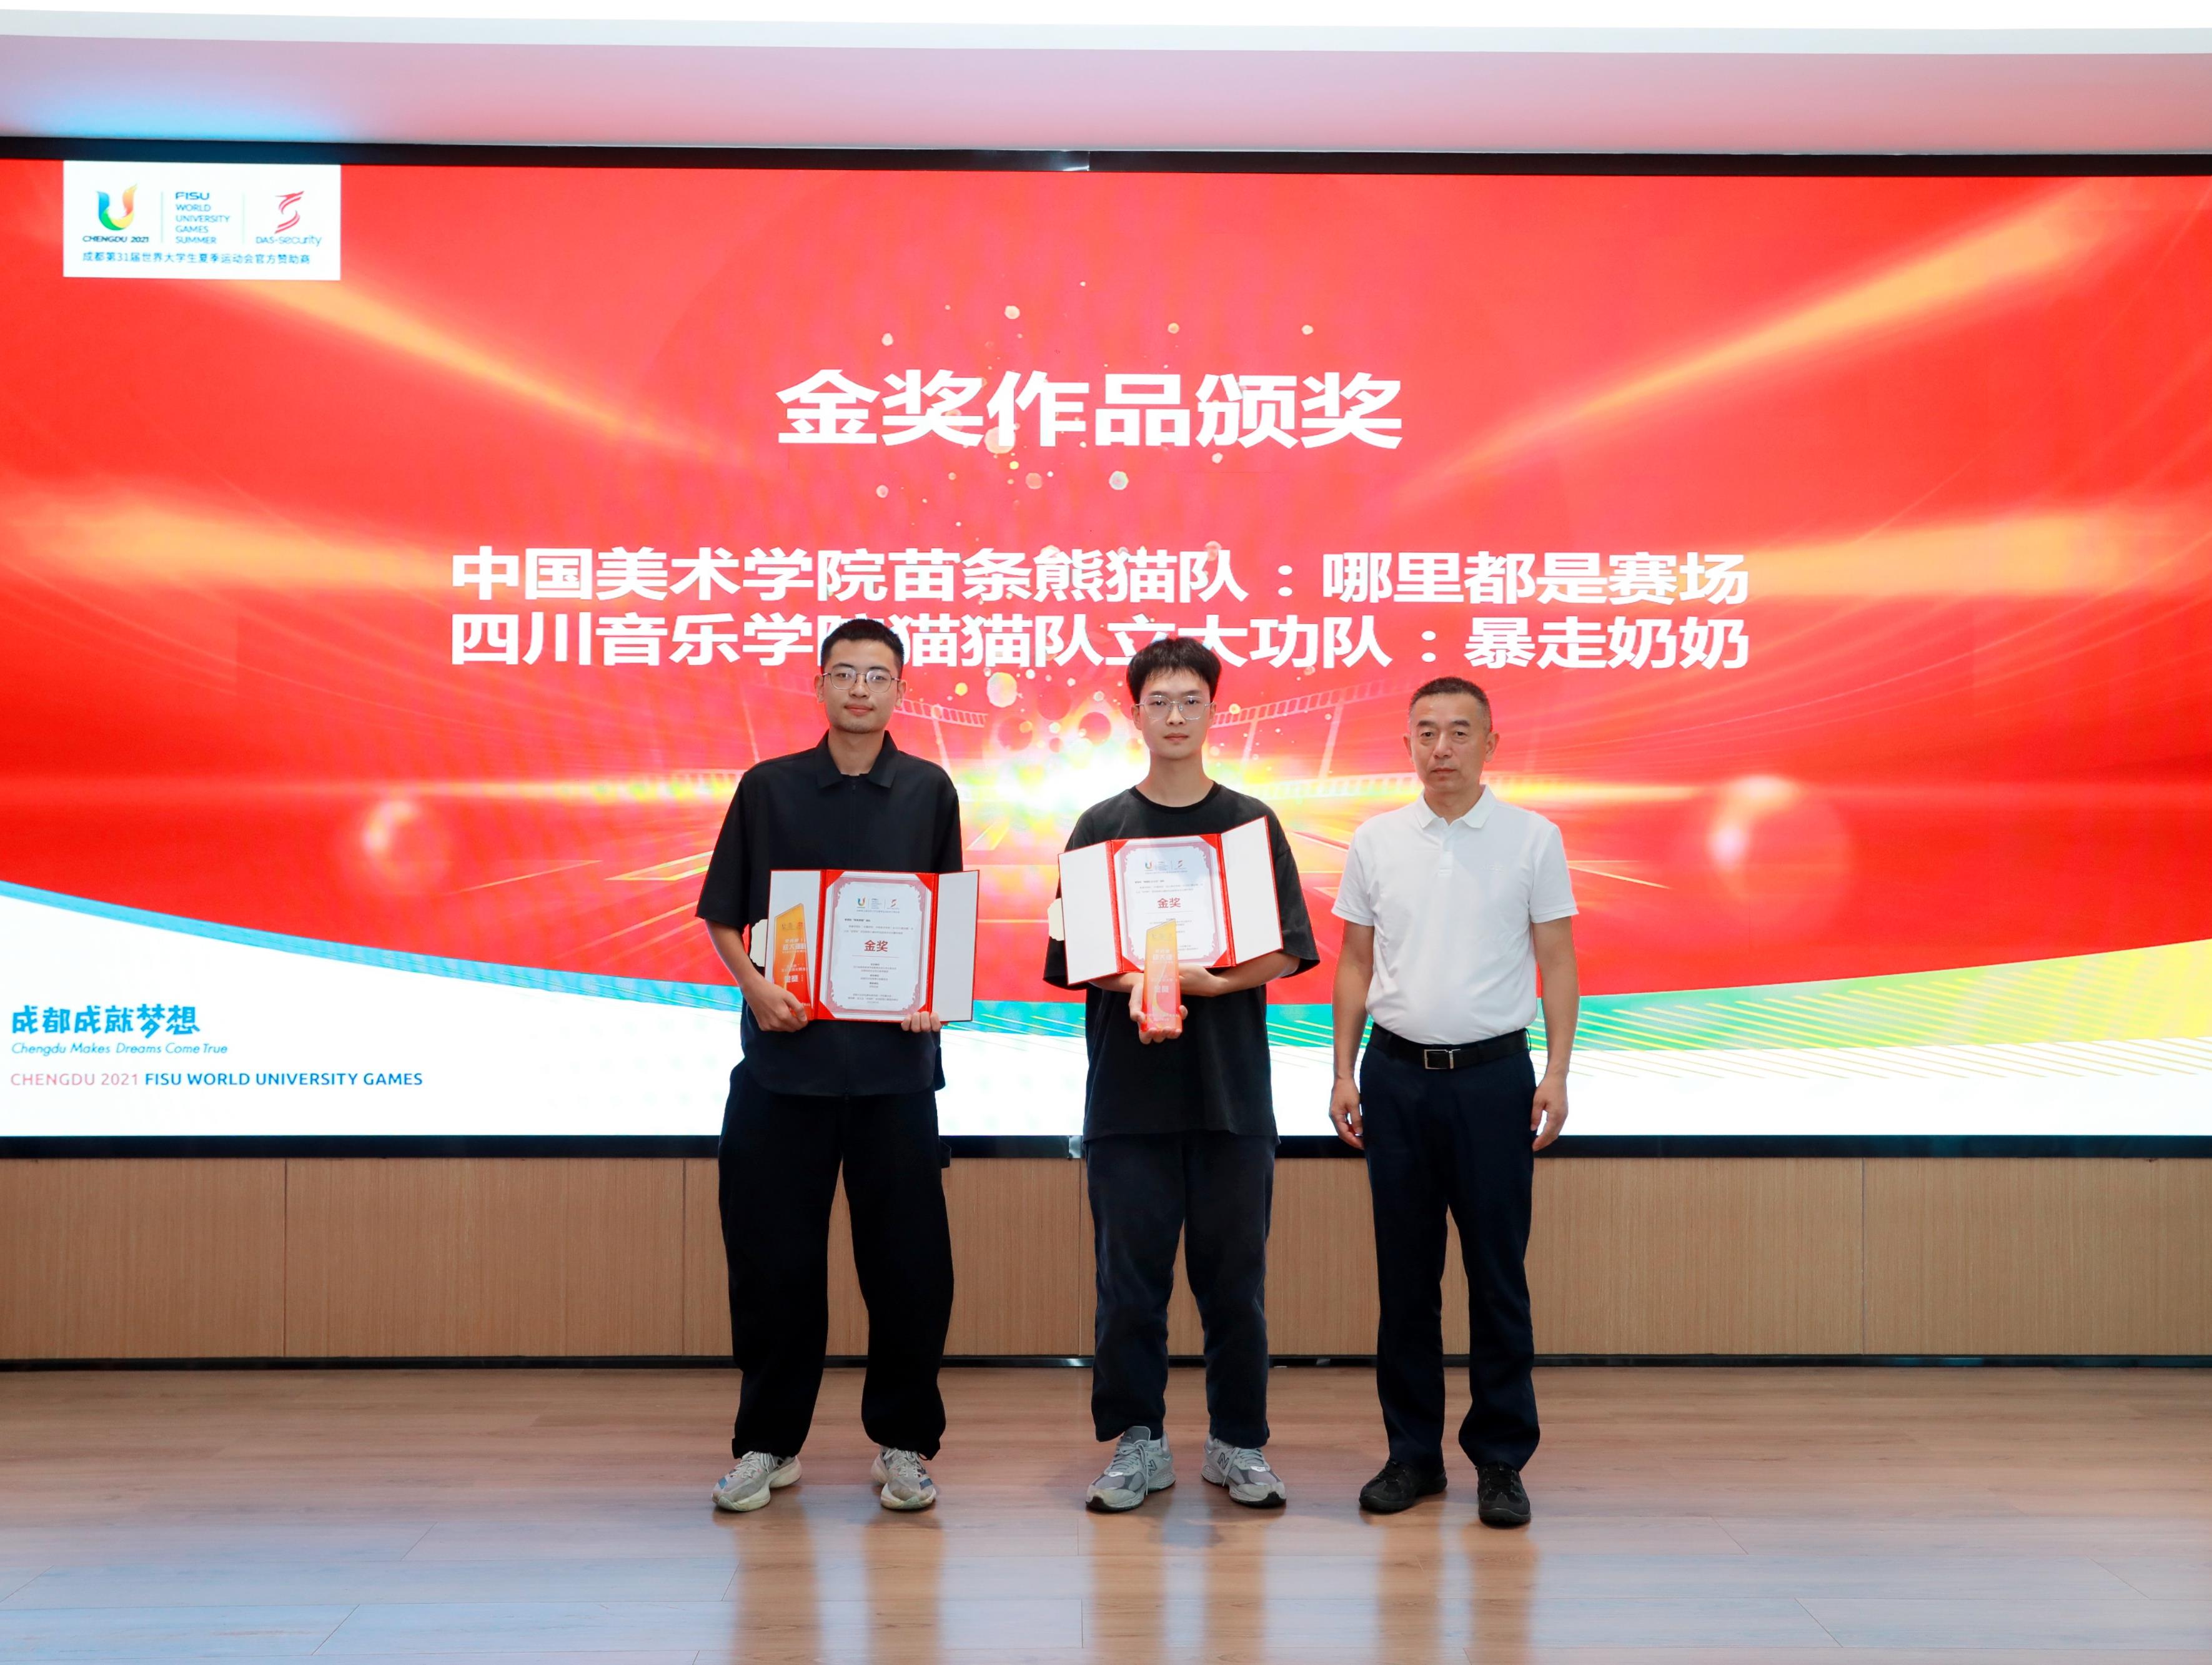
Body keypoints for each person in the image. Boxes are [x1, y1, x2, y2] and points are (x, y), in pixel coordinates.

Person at [1043, 637, 1318, 1513]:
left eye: (1190, 700)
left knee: (1235, 1284)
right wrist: (1141, 982)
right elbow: (1075, 956)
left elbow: (1286, 948)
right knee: (1129, 1286)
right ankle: (1140, 1443)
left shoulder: (1248, 824)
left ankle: (1239, 1444)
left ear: (1212, 710)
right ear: (1135, 714)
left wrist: (1212, 984)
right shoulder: (1099, 827)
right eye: (1158, 701)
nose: (1174, 716)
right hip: (1128, 1101)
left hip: (1231, 1098)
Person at [695, 618, 963, 1515]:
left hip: (895, 1074)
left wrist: (933, 994)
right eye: (844, 673)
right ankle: (767, 1443)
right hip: (784, 1070)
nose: (860, 689)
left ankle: (904, 1444)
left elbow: (943, 920)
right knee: (773, 1266)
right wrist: (756, 986)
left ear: (900, 691)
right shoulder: (768, 787)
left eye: (877, 676)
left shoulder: (928, 789)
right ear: (818, 684)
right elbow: (724, 913)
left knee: (908, 1269)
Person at [1328, 676, 1579, 1526]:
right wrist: (1343, 1071)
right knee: (1405, 1279)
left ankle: (1501, 1460)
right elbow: (1355, 962)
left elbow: (1557, 960)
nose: (1442, 747)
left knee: (1497, 1276)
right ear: (1407, 744)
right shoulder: (1375, 839)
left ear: (1490, 744)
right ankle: (1412, 1456)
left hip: (1494, 1081)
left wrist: (1557, 1072)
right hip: (1394, 1078)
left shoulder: (1532, 838)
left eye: (1460, 731)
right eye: (1427, 731)